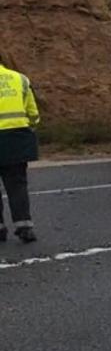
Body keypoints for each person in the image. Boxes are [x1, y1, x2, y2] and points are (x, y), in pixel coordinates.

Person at [0, 55, 41, 243]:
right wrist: (31, 126)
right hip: (17, 137)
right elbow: (33, 112)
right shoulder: (20, 79)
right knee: (17, 184)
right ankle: (24, 226)